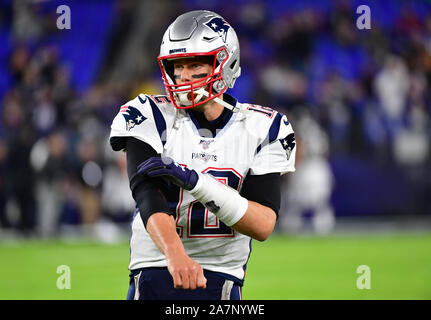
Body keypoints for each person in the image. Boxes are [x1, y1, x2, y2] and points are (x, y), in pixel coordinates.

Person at [109, 10, 296, 300]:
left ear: (225, 62)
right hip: (157, 269)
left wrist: (194, 181)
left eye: (194, 64)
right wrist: (175, 254)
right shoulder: (148, 114)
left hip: (222, 279)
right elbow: (146, 194)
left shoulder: (264, 126)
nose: (182, 75)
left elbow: (263, 224)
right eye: (177, 66)